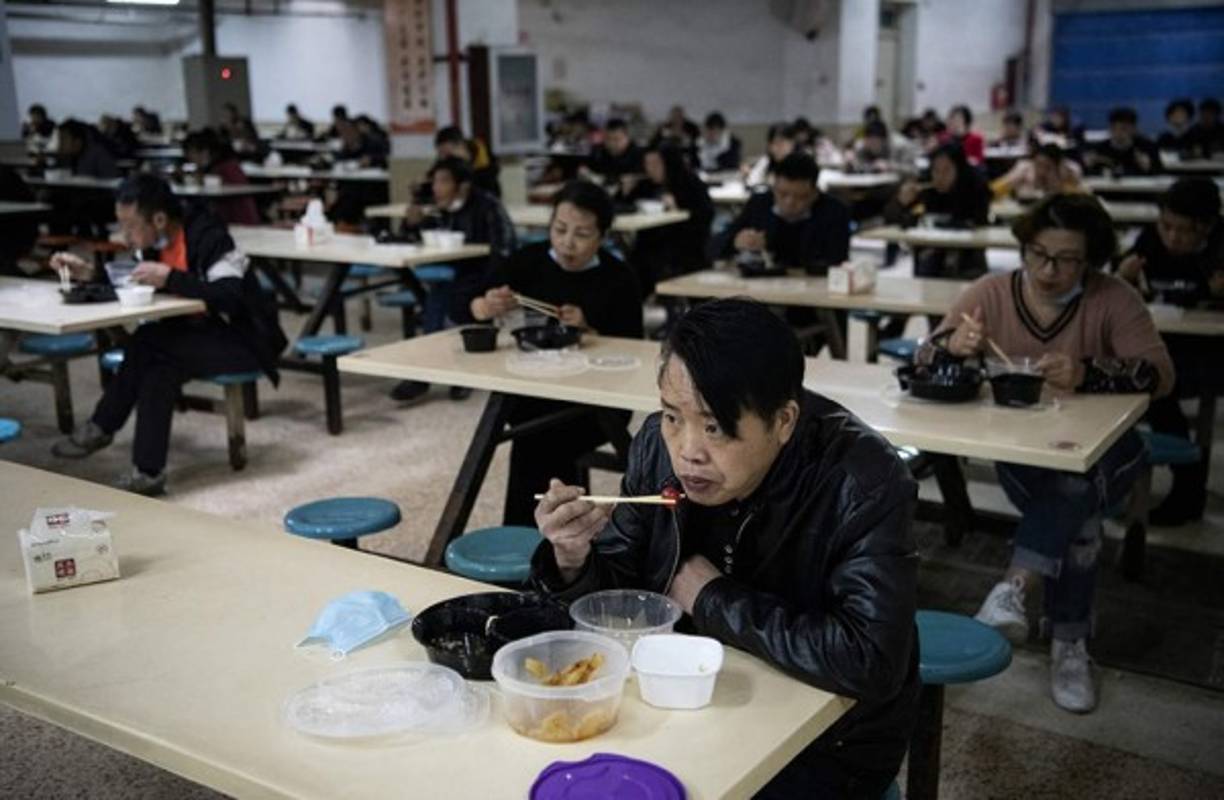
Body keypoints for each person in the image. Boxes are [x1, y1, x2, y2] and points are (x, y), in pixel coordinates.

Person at [530, 297, 920, 798]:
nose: (688, 449)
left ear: (783, 421)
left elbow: (871, 658)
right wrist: (572, 557)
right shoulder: (656, 444)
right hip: (687, 692)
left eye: (714, 427)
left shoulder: (863, 479)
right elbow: (620, 593)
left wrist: (711, 597)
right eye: (673, 416)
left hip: (830, 739)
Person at [922, 194, 1172, 713]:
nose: (1047, 270)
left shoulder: (1113, 298)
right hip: (1026, 450)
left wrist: (1089, 373)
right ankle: (1069, 644)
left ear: (1092, 260)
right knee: (1076, 507)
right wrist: (954, 346)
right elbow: (926, 352)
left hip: (1113, 449)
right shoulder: (993, 292)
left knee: (1074, 482)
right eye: (1037, 253)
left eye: (1066, 259)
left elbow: (1160, 376)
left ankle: (1016, 589)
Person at [49, 174, 288, 495]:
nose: (126, 236)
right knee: (158, 365)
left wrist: (172, 278)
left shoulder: (210, 237)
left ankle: (102, 426)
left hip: (243, 341)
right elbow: (130, 282)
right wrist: (88, 274)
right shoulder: (154, 246)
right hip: (193, 339)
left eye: (131, 226)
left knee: (149, 341)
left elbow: (230, 296)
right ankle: (148, 474)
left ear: (159, 219)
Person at [467, 180, 643, 526]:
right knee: (533, 429)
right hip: (534, 390)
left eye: (582, 234)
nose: (567, 242)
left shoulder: (618, 277)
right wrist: (486, 305)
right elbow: (469, 302)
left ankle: (533, 538)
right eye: (559, 229)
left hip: (598, 400)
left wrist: (590, 330)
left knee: (538, 440)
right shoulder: (528, 260)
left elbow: (636, 350)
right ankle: (546, 540)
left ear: (603, 236)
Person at [1115, 177, 1224, 525]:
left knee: (1156, 386)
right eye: (1166, 226)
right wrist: (1125, 276)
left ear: (1207, 227)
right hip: (1165, 340)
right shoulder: (1150, 239)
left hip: (1212, 352)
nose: (1172, 237)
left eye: (1184, 230)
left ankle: (1188, 489)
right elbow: (1118, 282)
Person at [390, 156, 518, 403]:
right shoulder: (442, 208)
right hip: (454, 275)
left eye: (443, 181)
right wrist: (410, 223)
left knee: (440, 298)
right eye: (435, 181)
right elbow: (415, 239)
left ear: (463, 185)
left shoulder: (487, 206)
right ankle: (434, 374)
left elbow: (504, 250)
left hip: (487, 276)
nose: (437, 188)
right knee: (439, 296)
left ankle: (426, 376)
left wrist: (485, 287)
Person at [721, 152, 850, 275]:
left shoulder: (834, 212)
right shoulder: (759, 204)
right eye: (782, 194)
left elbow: (837, 261)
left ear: (815, 193)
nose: (789, 202)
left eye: (800, 197)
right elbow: (713, 247)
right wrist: (735, 241)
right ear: (774, 186)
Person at [885, 143, 991, 278]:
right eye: (936, 170)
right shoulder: (926, 184)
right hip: (932, 249)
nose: (940, 176)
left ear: (959, 169)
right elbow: (891, 219)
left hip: (967, 252)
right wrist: (901, 202)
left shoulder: (976, 185)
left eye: (947, 170)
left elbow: (980, 225)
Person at [621, 145, 715, 295]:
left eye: (656, 164)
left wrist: (679, 206)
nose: (650, 169)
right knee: (631, 265)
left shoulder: (690, 182)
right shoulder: (645, 184)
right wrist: (625, 192)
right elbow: (624, 206)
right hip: (650, 244)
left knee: (650, 263)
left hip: (685, 245)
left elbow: (705, 215)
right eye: (647, 164)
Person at [182, 129, 261, 226]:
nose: (191, 159)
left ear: (204, 152)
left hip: (237, 219)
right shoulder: (222, 165)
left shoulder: (226, 168)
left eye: (192, 154)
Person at [1083, 107, 1162, 176]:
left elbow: (1160, 173)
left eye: (1124, 128)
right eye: (1114, 128)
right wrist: (1088, 165)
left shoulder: (1147, 147)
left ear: (1134, 129)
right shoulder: (1100, 148)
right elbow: (1089, 173)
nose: (1118, 133)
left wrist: (1148, 167)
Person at [991, 143, 1086, 200]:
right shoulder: (1025, 168)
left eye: (1047, 167)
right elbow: (994, 190)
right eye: (1038, 165)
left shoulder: (1070, 171)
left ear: (1058, 166)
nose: (1041, 171)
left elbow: (1081, 197)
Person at [434, 125, 500, 197]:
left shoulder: (484, 162)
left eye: (446, 152)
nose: (443, 157)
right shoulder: (445, 159)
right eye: (440, 153)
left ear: (460, 146)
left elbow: (490, 193)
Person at [843, 120, 921, 175]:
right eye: (868, 142)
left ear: (884, 140)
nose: (871, 146)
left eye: (875, 143)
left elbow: (913, 170)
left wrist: (890, 166)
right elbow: (859, 166)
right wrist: (850, 163)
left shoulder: (901, 145)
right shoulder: (863, 145)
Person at [585, 118, 644, 186]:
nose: (611, 143)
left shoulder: (639, 155)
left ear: (628, 138)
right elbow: (588, 170)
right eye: (607, 138)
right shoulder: (598, 151)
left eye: (616, 139)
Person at [742, 122, 798, 188]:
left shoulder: (801, 163)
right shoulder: (766, 161)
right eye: (773, 144)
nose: (775, 148)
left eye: (781, 144)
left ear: (792, 144)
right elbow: (752, 182)